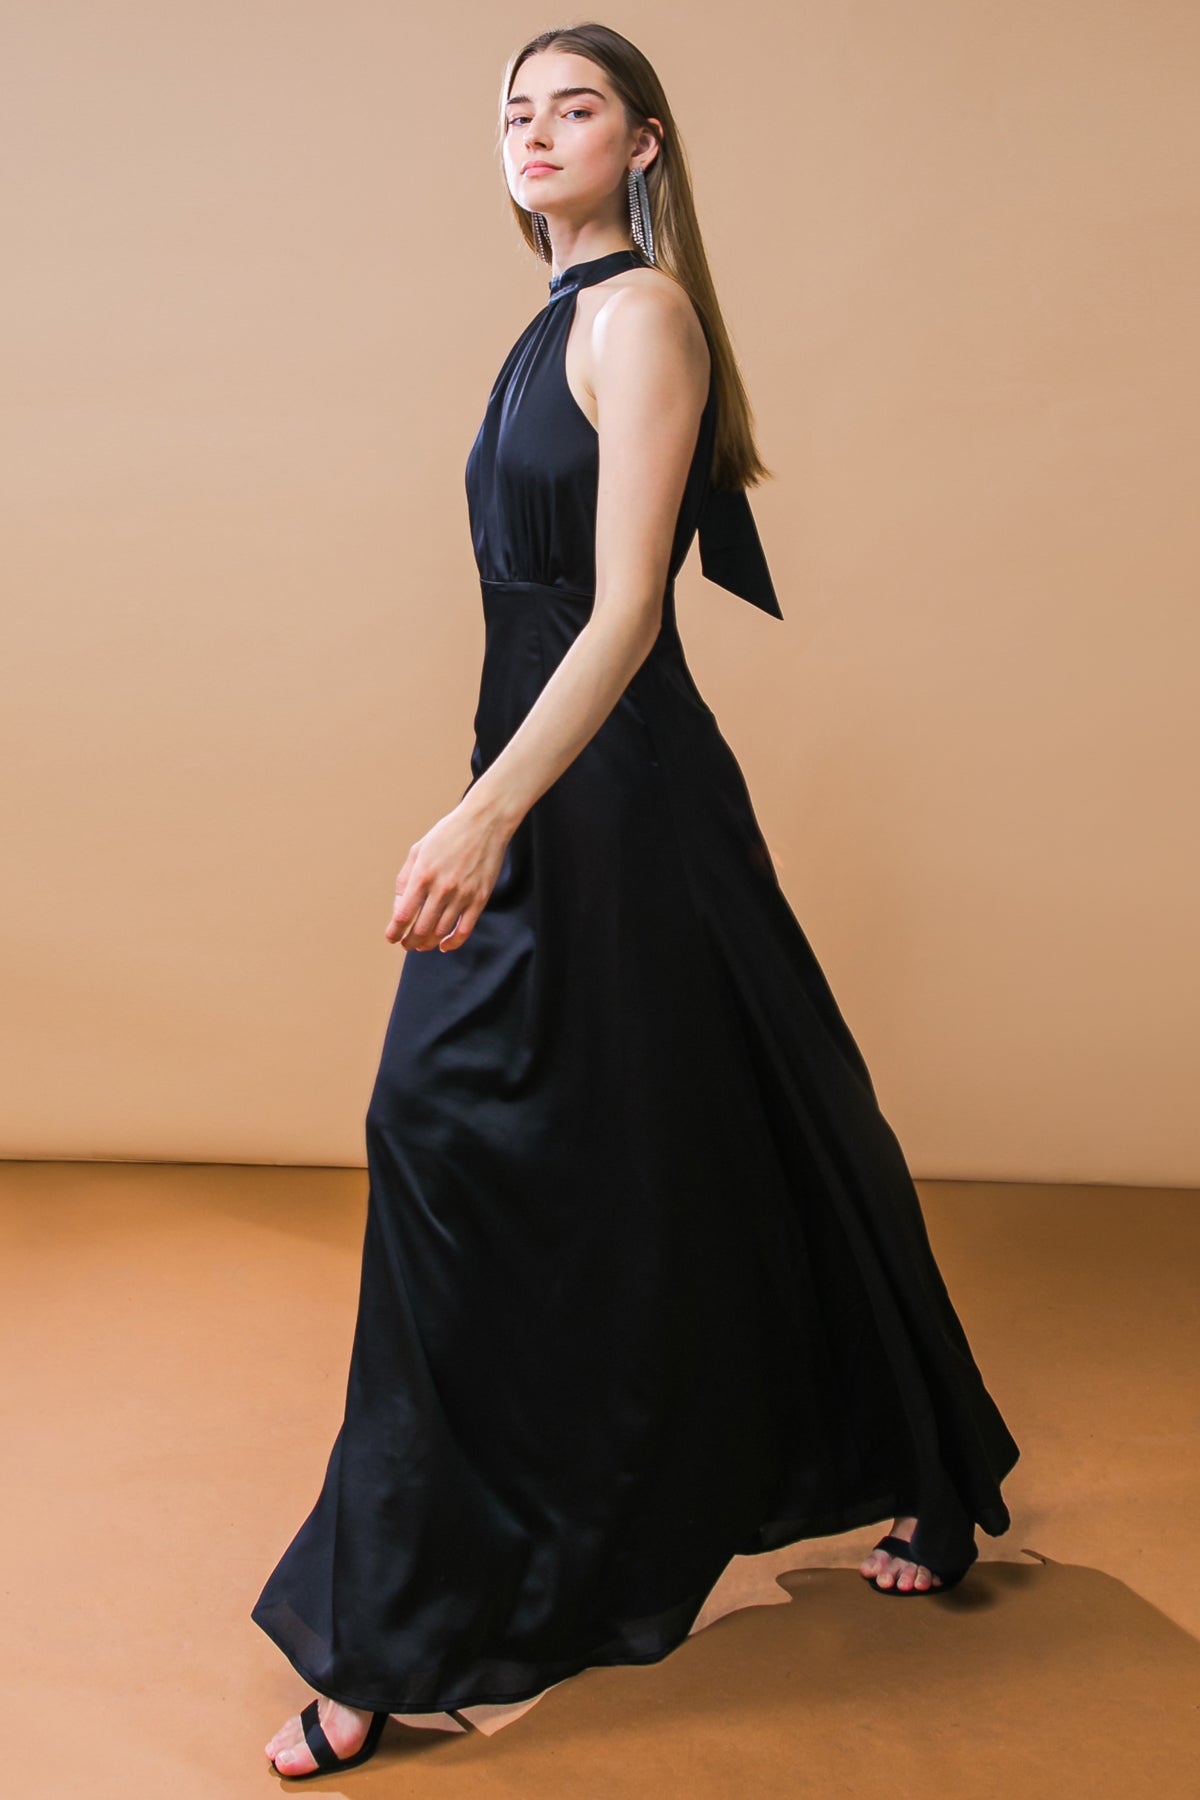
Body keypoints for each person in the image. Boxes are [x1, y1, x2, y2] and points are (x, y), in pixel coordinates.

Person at [256, 22, 1020, 1780]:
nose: (534, 133)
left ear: (648, 144)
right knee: (664, 1133)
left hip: (620, 804)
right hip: (549, 787)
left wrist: (479, 818)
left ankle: (397, 1633)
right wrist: (494, 798)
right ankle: (434, 1591)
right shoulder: (545, 329)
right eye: (513, 112)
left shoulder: (639, 318)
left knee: (736, 1120)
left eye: (574, 106)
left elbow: (621, 620)